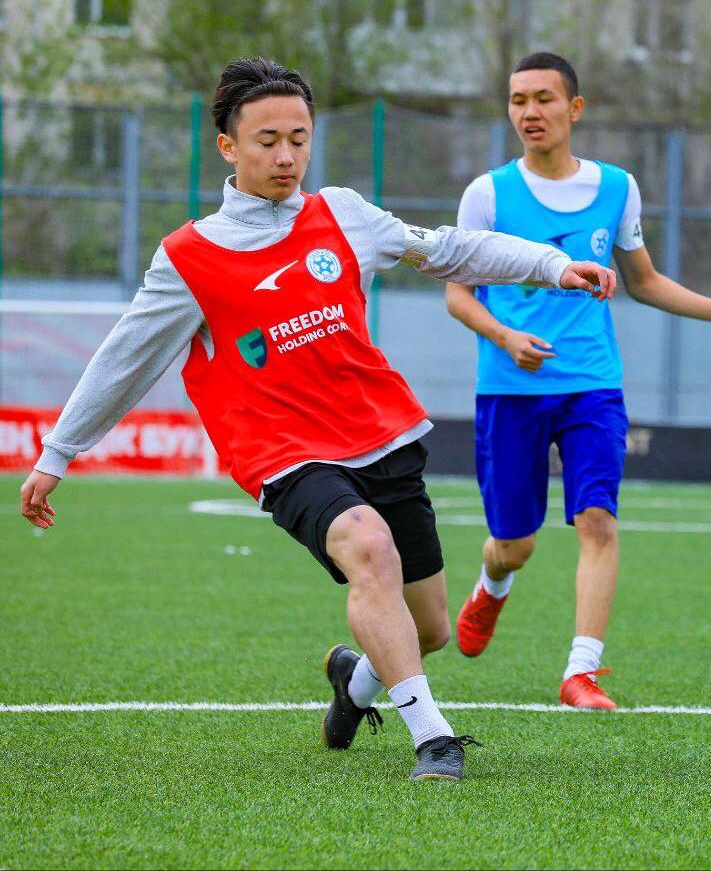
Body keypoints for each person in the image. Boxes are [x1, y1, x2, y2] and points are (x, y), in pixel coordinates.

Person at [17, 57, 616, 782]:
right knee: (369, 548)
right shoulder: (188, 258)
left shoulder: (344, 215)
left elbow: (450, 248)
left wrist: (553, 266)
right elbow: (125, 359)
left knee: (427, 627)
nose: (286, 156)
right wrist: (58, 453)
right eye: (267, 140)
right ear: (228, 146)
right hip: (282, 453)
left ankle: (354, 685)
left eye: (299, 139)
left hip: (377, 432)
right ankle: (433, 738)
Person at [445, 52, 711, 709]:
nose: (529, 112)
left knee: (596, 520)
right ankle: (492, 585)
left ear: (575, 108)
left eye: (543, 98)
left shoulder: (618, 188)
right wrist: (507, 338)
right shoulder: (487, 194)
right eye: (518, 100)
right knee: (515, 544)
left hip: (593, 386)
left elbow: (644, 281)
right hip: (510, 389)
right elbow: (459, 295)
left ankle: (582, 672)